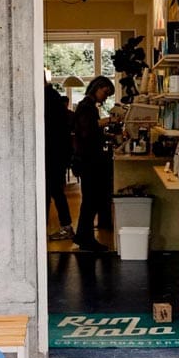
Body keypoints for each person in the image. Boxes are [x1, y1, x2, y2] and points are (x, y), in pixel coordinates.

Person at [71, 75, 115, 252]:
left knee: (90, 200)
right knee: (91, 200)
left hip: (87, 159)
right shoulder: (86, 107)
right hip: (88, 160)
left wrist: (106, 134)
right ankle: (85, 238)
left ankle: (84, 236)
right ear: (97, 88)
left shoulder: (88, 106)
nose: (105, 97)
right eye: (105, 92)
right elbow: (86, 130)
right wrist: (108, 121)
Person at [44, 82, 74, 241]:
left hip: (51, 155)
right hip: (57, 155)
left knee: (50, 192)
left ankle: (47, 227)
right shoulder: (54, 98)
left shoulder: (47, 99)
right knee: (55, 192)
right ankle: (65, 226)